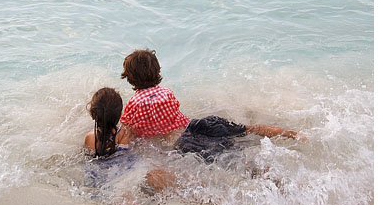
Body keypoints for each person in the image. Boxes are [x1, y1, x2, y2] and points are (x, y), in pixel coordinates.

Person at [118, 49, 305, 161]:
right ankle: (293, 134)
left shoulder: (133, 104)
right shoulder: (166, 92)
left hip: (185, 141)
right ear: (157, 71)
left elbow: (128, 133)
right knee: (247, 130)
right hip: (200, 124)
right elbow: (174, 112)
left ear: (130, 78)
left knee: (232, 157)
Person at [84, 87, 174, 205]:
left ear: (93, 116)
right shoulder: (124, 133)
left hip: (109, 180)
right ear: (119, 114)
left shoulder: (90, 138)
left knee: (130, 203)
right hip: (131, 171)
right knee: (154, 179)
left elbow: (87, 161)